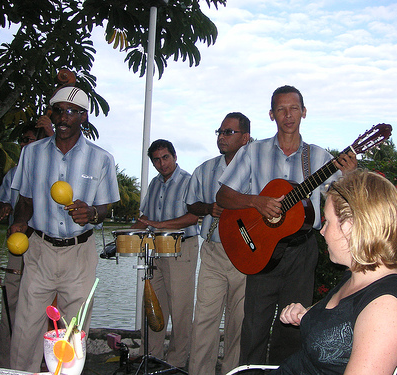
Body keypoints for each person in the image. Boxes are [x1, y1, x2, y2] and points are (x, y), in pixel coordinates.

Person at [216, 85, 357, 369]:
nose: (288, 115)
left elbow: (345, 202)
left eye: (294, 108)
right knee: (254, 328)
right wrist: (256, 202)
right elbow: (223, 197)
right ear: (271, 114)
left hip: (301, 252)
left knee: (291, 329)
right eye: (281, 109)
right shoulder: (252, 152)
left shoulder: (319, 158)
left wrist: (351, 175)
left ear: (304, 112)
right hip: (261, 250)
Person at [7, 86, 120, 372]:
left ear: (84, 117)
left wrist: (92, 212)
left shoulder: (101, 158)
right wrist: (20, 220)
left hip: (79, 254)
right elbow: (25, 200)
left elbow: (106, 209)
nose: (63, 117)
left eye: (71, 112)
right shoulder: (32, 153)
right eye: (57, 110)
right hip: (39, 251)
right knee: (25, 329)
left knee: (72, 333)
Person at [269, 169, 397, 375]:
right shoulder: (357, 276)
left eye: (327, 221)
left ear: (350, 227)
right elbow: (343, 330)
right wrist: (307, 316)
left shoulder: (386, 308)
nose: (322, 231)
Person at [186, 113, 251, 375]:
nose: (222, 137)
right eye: (220, 132)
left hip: (246, 256)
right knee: (204, 320)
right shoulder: (204, 169)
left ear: (245, 138)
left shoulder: (257, 168)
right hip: (213, 252)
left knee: (239, 324)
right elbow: (191, 204)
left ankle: (232, 372)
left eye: (228, 132)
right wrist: (209, 208)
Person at [132, 139, 200, 368]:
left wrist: (160, 225)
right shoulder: (154, 184)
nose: (162, 164)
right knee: (153, 304)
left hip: (181, 249)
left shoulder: (189, 181)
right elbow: (144, 219)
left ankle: (176, 362)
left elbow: (193, 217)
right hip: (156, 251)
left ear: (175, 156)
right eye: (157, 160)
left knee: (180, 308)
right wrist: (124, 237)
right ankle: (151, 354)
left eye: (165, 157)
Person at [0, 123, 52, 368]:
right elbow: (1, 199)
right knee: (12, 303)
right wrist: (4, 207)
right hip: (18, 249)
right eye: (21, 140)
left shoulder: (51, 171)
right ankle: (8, 362)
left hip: (44, 249)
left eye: (28, 140)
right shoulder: (14, 172)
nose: (23, 145)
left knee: (45, 307)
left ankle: (46, 360)